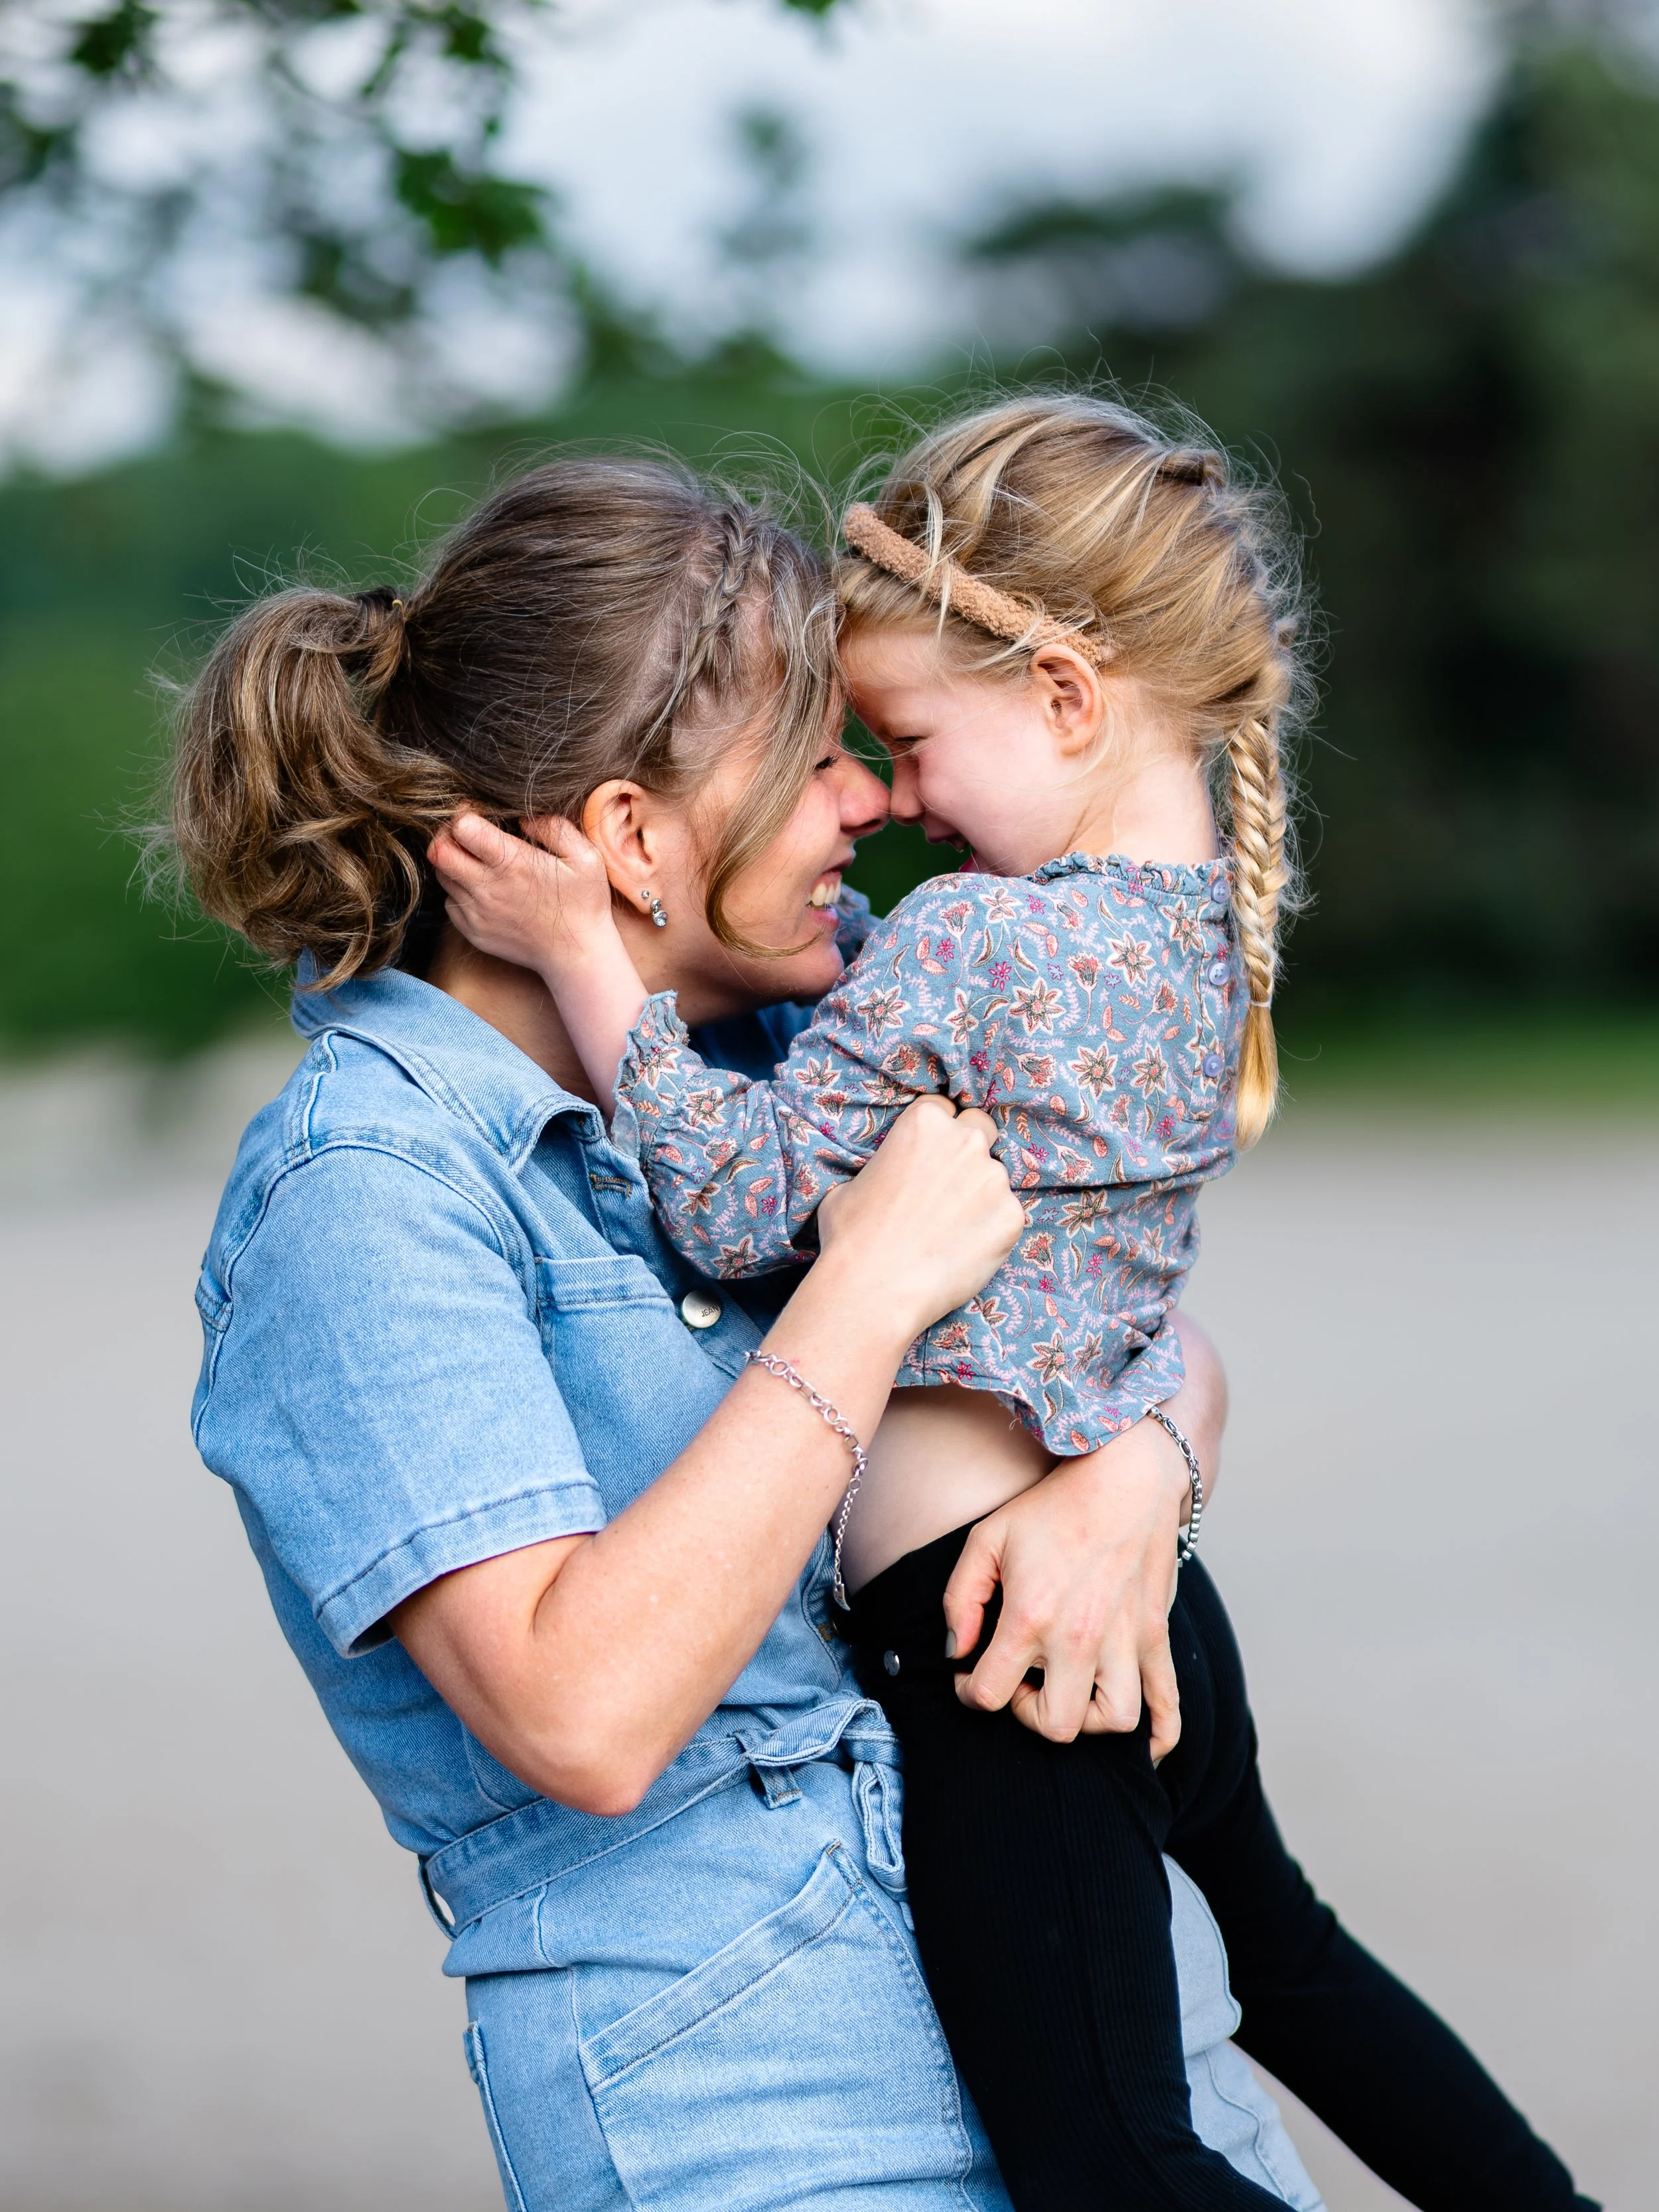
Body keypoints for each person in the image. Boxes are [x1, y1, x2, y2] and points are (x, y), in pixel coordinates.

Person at [430, 400, 1599, 2211]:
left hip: (996, 1640)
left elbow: (738, 1205)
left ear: (1064, 694)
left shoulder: (978, 943)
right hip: (1137, 1589)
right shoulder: (1204, 932)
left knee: (1103, 2163)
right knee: (1291, 1961)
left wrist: (591, 954)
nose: (896, 800)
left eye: (907, 741)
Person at [175, 453, 1316, 2212]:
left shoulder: (792, 1049)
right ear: (634, 838)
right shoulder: (364, 1195)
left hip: (1121, 2058)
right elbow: (581, 1716)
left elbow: (1122, 1314)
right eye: (812, 760)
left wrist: (1135, 1470)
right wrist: (860, 1298)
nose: (872, 805)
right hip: (771, 2124)